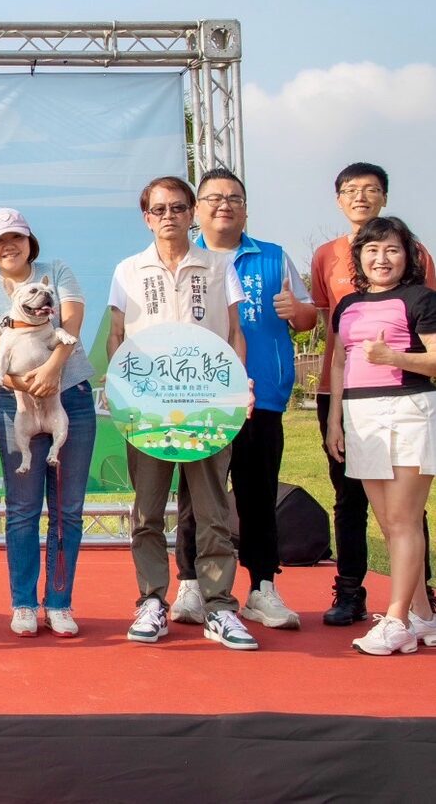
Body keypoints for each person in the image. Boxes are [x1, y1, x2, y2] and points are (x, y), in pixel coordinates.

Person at [106, 176, 259, 650]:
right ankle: (151, 600)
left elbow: (235, 333)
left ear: (192, 213)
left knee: (213, 512)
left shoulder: (219, 265)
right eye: (159, 209)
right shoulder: (128, 270)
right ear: (146, 218)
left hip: (207, 407)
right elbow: (116, 336)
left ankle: (219, 607)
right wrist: (123, 393)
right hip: (148, 412)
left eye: (177, 207)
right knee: (147, 512)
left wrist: (238, 386)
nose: (168, 216)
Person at [168, 168, 319, 632]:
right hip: (201, 399)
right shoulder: (184, 262)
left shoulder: (273, 257)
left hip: (263, 397)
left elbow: (308, 318)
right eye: (214, 198)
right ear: (198, 211)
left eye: (234, 197)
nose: (224, 205)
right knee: (195, 498)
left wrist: (299, 312)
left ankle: (262, 588)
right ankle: (190, 584)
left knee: (258, 496)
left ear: (246, 209)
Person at [310, 162, 435, 625]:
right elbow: (332, 340)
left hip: (405, 400)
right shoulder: (328, 258)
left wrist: (392, 358)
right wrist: (335, 416)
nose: (360, 197)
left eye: (370, 189)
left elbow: (425, 329)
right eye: (350, 190)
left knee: (407, 514)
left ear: (384, 196)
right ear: (338, 199)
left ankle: (413, 607)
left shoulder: (416, 264)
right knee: (355, 503)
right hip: (348, 401)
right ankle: (351, 591)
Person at [0, 207, 96, 638]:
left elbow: (72, 321)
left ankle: (59, 602)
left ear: (29, 241)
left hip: (70, 396)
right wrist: (26, 383)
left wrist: (52, 370)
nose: (9, 246)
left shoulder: (56, 271)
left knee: (67, 511)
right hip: (14, 404)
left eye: (16, 237)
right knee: (22, 510)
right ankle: (23, 603)